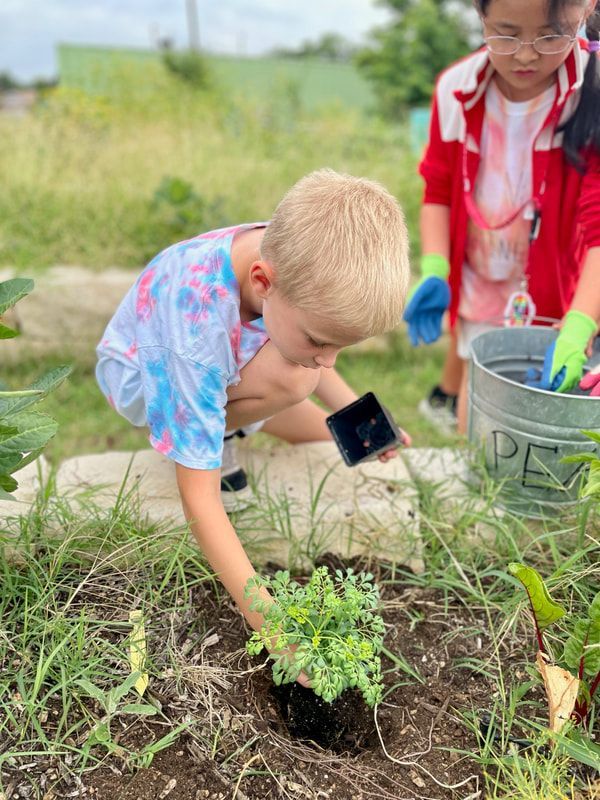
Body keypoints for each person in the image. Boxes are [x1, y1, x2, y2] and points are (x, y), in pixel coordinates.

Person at [96, 168, 411, 685]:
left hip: (210, 352)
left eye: (341, 346)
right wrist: (272, 628)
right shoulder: (195, 340)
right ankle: (225, 434)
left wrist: (366, 422)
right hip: (143, 378)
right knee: (293, 377)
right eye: (320, 341)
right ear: (264, 282)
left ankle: (250, 418)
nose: (330, 361)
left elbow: (311, 347)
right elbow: (199, 499)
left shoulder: (291, 254)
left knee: (300, 378)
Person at [403, 0, 600, 433]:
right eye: (506, 34)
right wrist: (436, 267)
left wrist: (581, 323)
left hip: (555, 293)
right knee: (474, 426)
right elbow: (437, 190)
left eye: (552, 35)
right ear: (479, 14)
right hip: (479, 279)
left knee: (542, 426)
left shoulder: (592, 90)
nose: (527, 54)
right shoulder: (455, 89)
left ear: (586, 11)